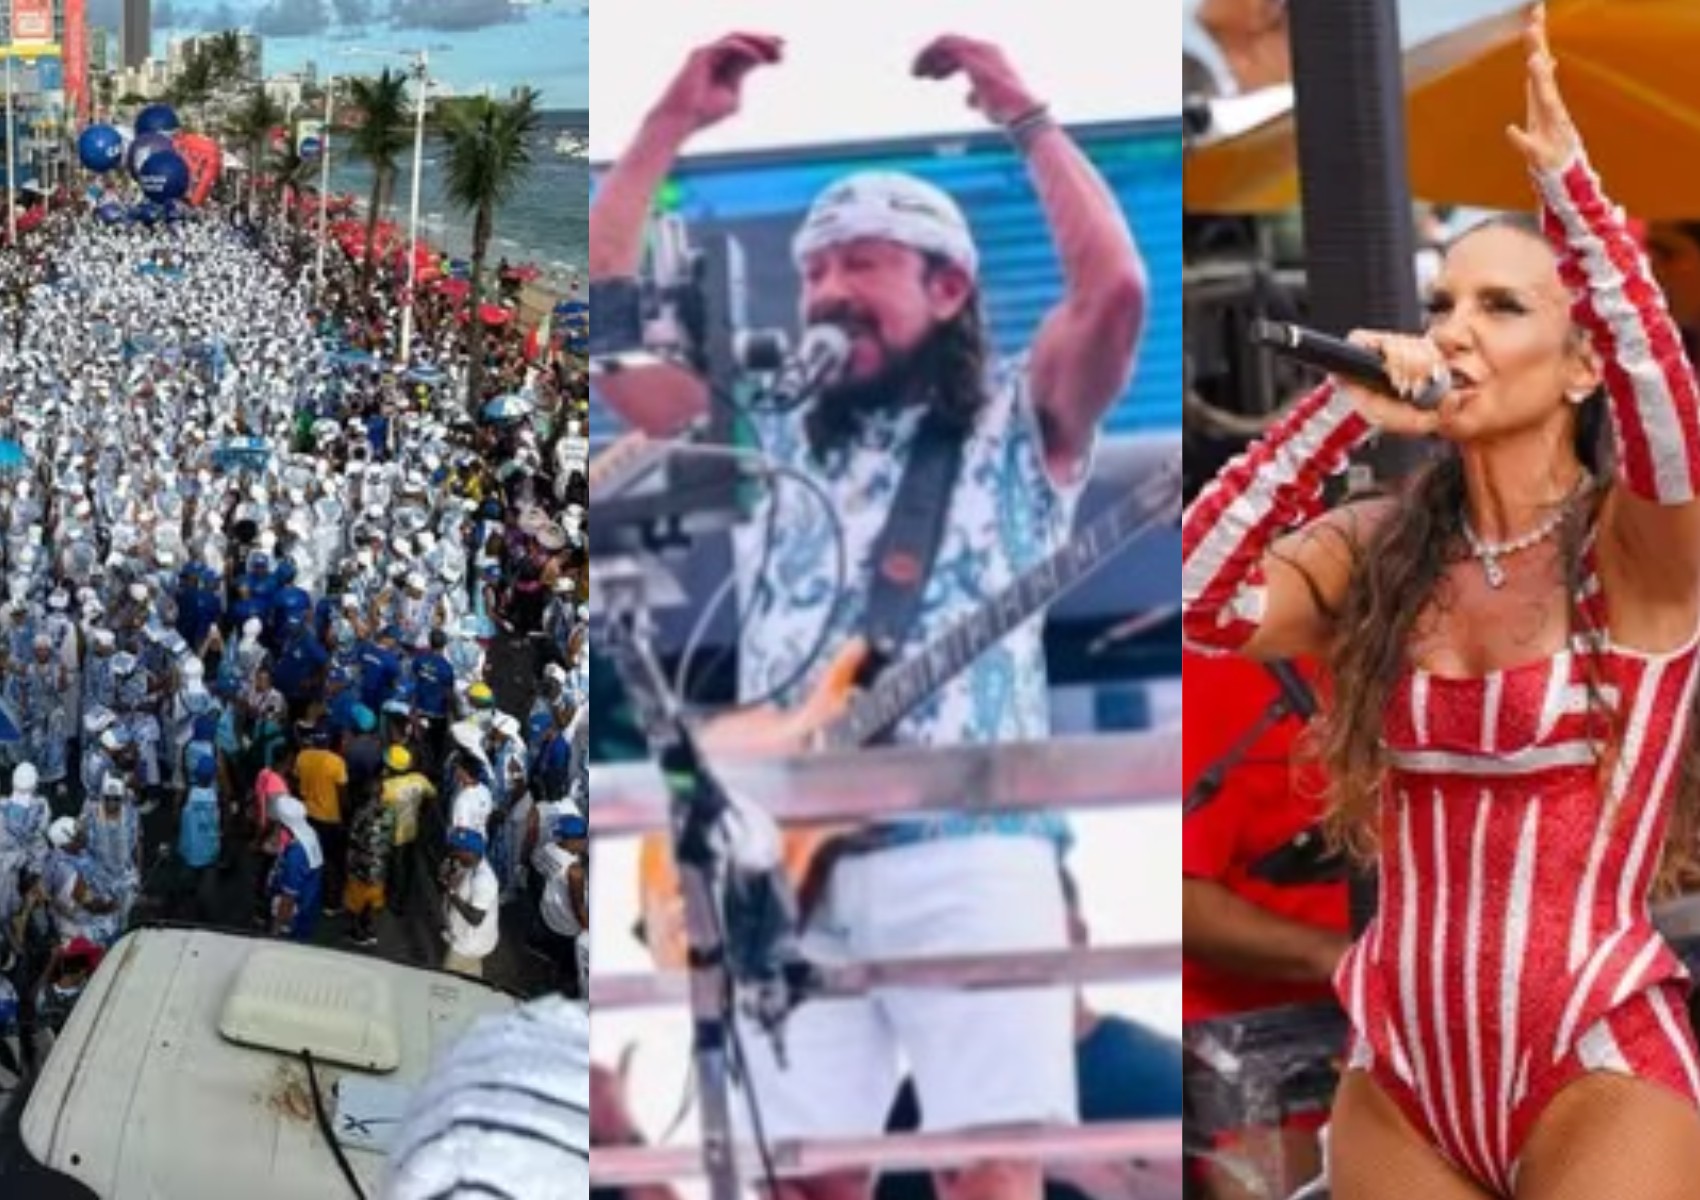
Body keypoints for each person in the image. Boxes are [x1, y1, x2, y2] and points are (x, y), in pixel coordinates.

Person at [592, 30, 1144, 1200]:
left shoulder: (1015, 425)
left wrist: (1021, 109)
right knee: (803, 1181)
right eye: (816, 270)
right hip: (776, 859)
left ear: (947, 288)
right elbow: (612, 346)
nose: (830, 291)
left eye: (864, 266)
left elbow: (1117, 293)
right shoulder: (773, 432)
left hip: (971, 848)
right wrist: (660, 132)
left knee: (985, 1170)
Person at [1180, 10, 1700, 1197]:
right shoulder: (1381, 547)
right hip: (1400, 1074)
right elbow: (1200, 604)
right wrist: (1326, 419)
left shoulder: (1635, 547)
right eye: (1443, 302)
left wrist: (1574, 206)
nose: (1453, 331)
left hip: (1589, 1052)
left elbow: (1669, 423)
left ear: (1579, 368)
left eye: (1501, 308)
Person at [1182, 650, 1350, 1200]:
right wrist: (1343, 958)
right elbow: (1185, 904)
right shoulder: (1212, 666)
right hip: (1247, 1045)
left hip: (1400, 1030)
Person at [439, 827, 499, 978]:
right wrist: (447, 875)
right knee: (471, 974)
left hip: (467, 945)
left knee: (448, 982)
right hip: (467, 938)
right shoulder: (471, 863)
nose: (452, 853)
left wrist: (452, 893)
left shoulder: (484, 880)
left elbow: (475, 918)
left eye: (456, 849)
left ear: (468, 852)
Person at [265, 794, 324, 942]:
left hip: (293, 915)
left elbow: (288, 898)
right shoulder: (309, 832)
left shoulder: (295, 856)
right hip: (308, 903)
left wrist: (276, 930)